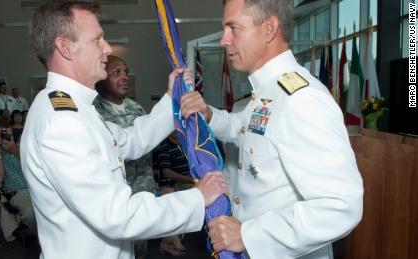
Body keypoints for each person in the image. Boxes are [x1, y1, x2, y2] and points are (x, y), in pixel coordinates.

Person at [22, 1, 228, 259]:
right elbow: (116, 215)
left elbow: (131, 140)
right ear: (65, 47)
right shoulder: (62, 122)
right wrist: (198, 198)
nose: (107, 48)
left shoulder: (77, 110)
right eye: (97, 39)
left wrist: (171, 97)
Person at [180, 0, 364, 258]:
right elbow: (244, 129)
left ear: (269, 29)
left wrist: (248, 234)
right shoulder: (267, 92)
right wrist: (208, 114)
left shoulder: (302, 99)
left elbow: (341, 206)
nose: (224, 39)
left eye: (233, 28)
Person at [94, 55, 156, 259]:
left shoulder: (136, 108)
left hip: (143, 192)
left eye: (126, 72)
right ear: (102, 78)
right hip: (116, 199)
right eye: (116, 73)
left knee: (140, 249)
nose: (125, 77)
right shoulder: (94, 112)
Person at [0, 121, 36, 235]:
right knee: (32, 214)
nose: (7, 138)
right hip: (20, 193)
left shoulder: (23, 148)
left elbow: (36, 164)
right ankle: (44, 240)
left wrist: (14, 149)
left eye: (9, 135)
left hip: (37, 188)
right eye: (3, 135)